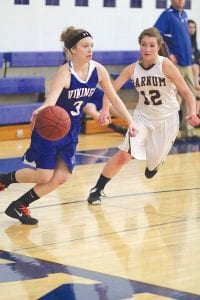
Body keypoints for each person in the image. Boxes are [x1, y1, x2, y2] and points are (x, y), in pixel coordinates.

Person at [0, 26, 137, 225]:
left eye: (91, 46)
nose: (90, 50)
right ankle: (5, 178)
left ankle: (19, 205)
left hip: (70, 130)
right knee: (44, 176)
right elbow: (51, 99)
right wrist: (42, 109)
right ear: (73, 49)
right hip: (50, 129)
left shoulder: (98, 70)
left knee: (62, 176)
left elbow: (114, 97)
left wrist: (130, 120)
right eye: (85, 46)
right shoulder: (65, 72)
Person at [87, 27, 200, 205]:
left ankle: (155, 163)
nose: (147, 49)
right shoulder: (132, 69)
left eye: (151, 45)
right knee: (124, 155)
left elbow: (187, 92)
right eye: (143, 44)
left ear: (158, 46)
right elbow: (110, 91)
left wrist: (193, 112)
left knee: (151, 169)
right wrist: (105, 109)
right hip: (142, 118)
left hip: (167, 119)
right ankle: (97, 189)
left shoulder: (166, 65)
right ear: (139, 45)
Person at [154, 0, 197, 140]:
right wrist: (168, 53)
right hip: (176, 65)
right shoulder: (167, 15)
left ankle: (188, 131)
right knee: (172, 98)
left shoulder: (184, 14)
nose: (180, 1)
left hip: (188, 63)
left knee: (189, 96)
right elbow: (156, 34)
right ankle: (170, 133)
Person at [188, 19, 200, 118]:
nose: (192, 29)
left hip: (194, 73)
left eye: (194, 27)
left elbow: (196, 58)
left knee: (198, 93)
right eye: (190, 27)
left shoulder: (194, 42)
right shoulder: (185, 42)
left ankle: (196, 115)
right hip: (187, 72)